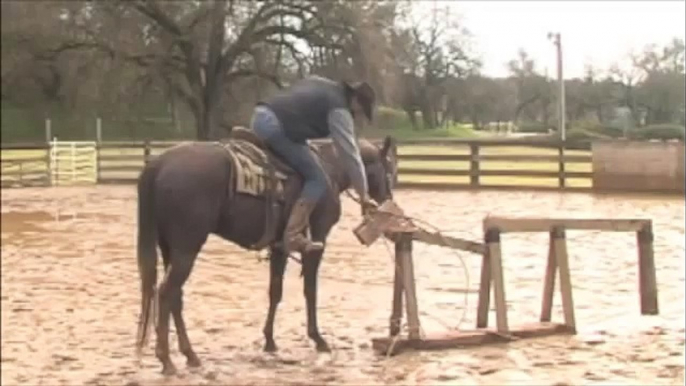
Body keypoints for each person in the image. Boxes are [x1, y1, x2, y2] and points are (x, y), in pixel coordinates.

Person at [250, 75, 377, 255]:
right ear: (355, 101)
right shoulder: (340, 109)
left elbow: (299, 111)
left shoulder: (320, 82)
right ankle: (292, 235)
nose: (357, 116)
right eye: (360, 111)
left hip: (261, 115)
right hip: (275, 127)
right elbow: (350, 154)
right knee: (317, 178)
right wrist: (363, 195)